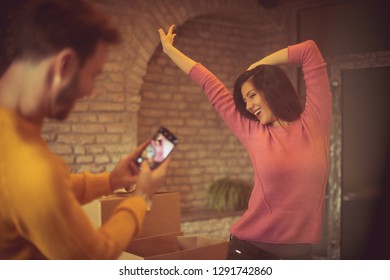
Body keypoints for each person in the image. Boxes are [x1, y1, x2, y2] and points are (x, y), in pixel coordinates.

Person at [0, 0, 171, 260]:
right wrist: (142, 198)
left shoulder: (14, 137)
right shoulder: (32, 168)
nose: (89, 90)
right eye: (94, 74)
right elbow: (94, 256)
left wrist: (111, 181)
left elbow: (52, 190)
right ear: (65, 64)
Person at [158, 25, 332, 259]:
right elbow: (211, 85)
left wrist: (257, 67)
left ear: (271, 89)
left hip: (300, 257)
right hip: (250, 252)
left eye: (252, 95)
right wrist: (169, 51)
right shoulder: (253, 130)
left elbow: (309, 51)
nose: (248, 106)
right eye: (244, 100)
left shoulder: (315, 123)